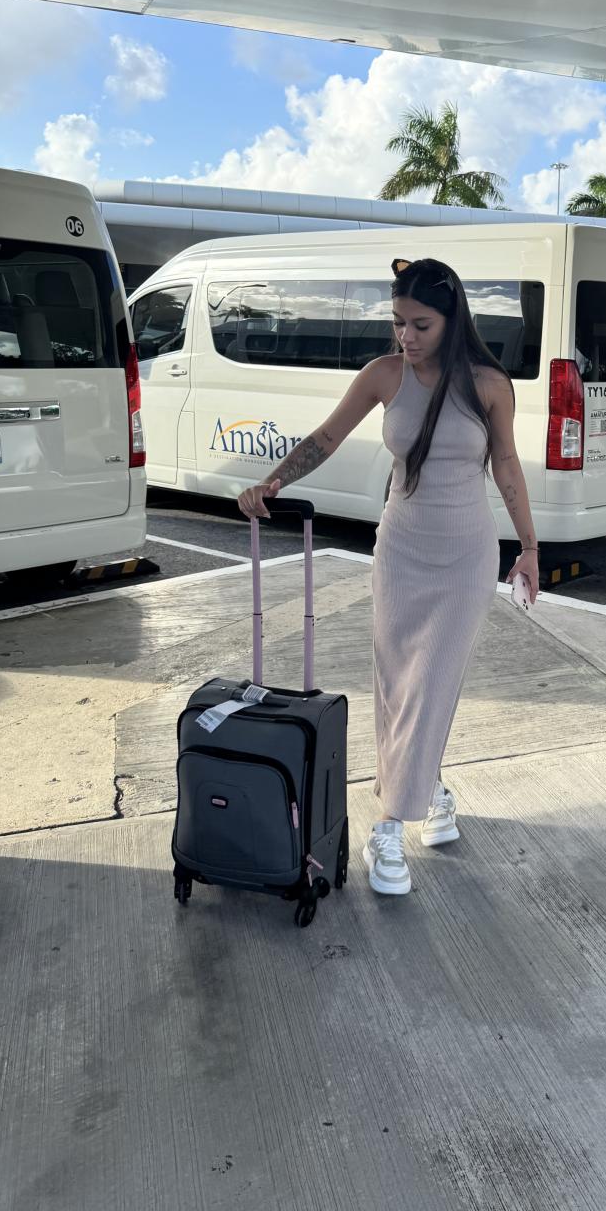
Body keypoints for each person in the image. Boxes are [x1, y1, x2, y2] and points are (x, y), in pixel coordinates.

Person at [237, 256, 539, 896]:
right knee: (398, 684)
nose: (406, 336)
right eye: (398, 322)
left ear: (452, 320)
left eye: (420, 325)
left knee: (432, 681)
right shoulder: (384, 375)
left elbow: (507, 466)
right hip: (401, 550)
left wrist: (530, 549)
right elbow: (327, 436)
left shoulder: (489, 385)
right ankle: (433, 791)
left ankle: (389, 826)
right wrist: (273, 482)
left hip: (466, 557)